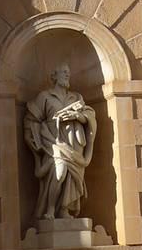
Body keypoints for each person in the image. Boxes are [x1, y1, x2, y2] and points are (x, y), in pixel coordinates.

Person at [22, 63, 97, 221]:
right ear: (54, 76)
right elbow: (31, 119)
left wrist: (76, 116)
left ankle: (64, 210)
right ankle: (50, 210)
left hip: (74, 145)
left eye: (68, 73)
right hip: (53, 142)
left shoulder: (76, 97)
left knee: (70, 178)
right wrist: (36, 138)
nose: (67, 75)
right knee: (60, 171)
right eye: (63, 72)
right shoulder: (45, 97)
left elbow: (89, 115)